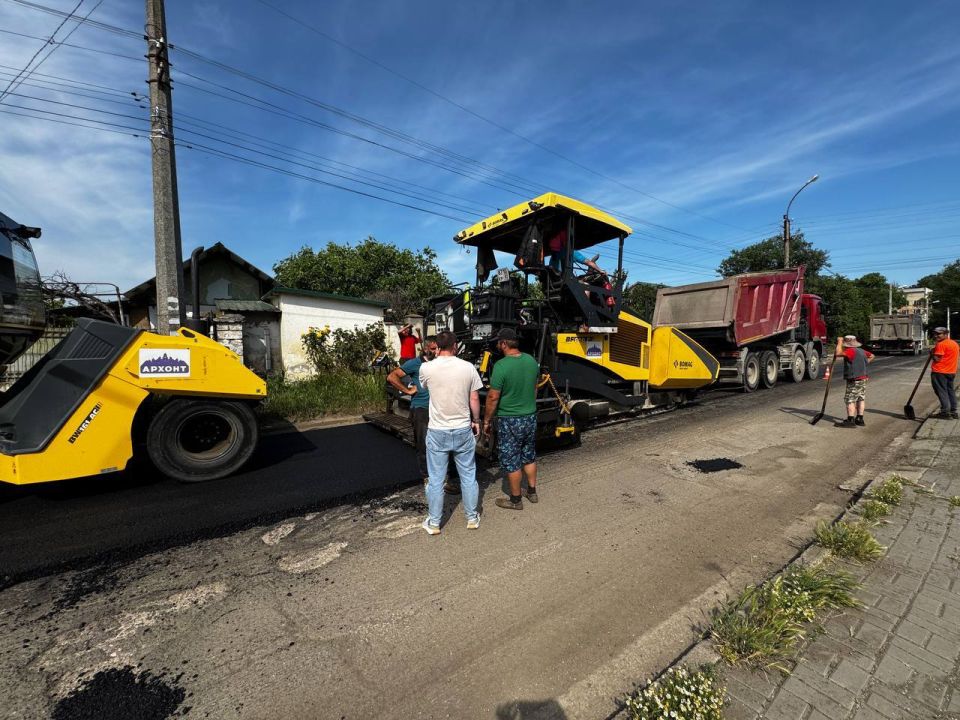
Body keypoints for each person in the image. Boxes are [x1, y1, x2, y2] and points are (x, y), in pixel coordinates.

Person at [417, 330, 483, 534]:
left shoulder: (426, 368)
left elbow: (425, 388)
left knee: (436, 479)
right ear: (455, 346)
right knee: (468, 475)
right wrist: (477, 421)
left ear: (436, 346)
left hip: (438, 430)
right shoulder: (468, 367)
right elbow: (474, 399)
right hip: (463, 428)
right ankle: (472, 518)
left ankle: (435, 523)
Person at [483, 328, 540, 510]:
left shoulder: (501, 366)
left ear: (504, 344)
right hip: (530, 416)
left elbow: (493, 397)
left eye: (499, 342)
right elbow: (535, 387)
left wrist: (486, 420)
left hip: (510, 419)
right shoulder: (531, 361)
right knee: (528, 455)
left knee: (512, 459)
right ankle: (532, 492)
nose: (498, 345)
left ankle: (515, 500)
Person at [386, 336, 439, 484]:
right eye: (433, 349)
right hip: (421, 409)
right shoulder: (414, 364)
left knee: (440, 444)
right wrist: (407, 391)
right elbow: (392, 377)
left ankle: (445, 475)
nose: (436, 352)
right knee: (423, 444)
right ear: (425, 348)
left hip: (438, 408)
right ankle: (427, 476)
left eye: (438, 348)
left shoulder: (440, 363)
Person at [835, 335, 874, 428]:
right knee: (860, 398)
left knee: (850, 399)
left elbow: (838, 353)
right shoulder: (861, 351)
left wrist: (839, 341)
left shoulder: (850, 351)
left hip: (854, 379)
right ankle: (860, 419)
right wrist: (865, 362)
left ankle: (850, 420)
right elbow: (872, 355)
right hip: (863, 378)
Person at [929, 327, 958, 419]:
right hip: (951, 371)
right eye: (935, 334)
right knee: (950, 391)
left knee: (941, 391)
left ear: (945, 334)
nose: (936, 336)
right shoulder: (954, 343)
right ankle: (953, 411)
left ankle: (945, 412)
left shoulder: (941, 344)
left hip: (940, 372)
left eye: (939, 334)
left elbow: (937, 359)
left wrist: (932, 353)